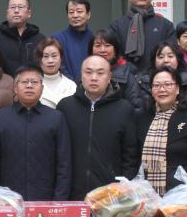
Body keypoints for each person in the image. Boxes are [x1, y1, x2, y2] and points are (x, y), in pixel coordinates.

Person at [58, 55, 140, 200]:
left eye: (100, 73)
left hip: (111, 195)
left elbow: (130, 156)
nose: (94, 77)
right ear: (81, 75)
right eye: (88, 72)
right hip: (71, 193)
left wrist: (123, 189)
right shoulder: (65, 107)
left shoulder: (124, 109)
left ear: (109, 77)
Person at [0, 64, 71, 201]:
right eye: (24, 82)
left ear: (42, 88)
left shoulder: (56, 118)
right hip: (8, 198)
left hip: (46, 197)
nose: (29, 86)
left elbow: (64, 163)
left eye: (34, 82)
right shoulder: (0, 118)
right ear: (15, 88)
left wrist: (59, 200)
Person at [136, 67, 187, 196]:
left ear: (177, 89)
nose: (162, 89)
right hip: (146, 196)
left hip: (182, 195)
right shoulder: (142, 119)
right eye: (156, 85)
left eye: (168, 84)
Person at [109, 0, 175, 72]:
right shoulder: (117, 25)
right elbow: (111, 54)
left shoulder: (165, 25)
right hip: (124, 77)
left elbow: (171, 54)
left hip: (156, 77)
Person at [138, 41, 187, 113]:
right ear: (154, 61)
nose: (166, 60)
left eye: (170, 56)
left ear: (178, 60)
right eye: (161, 57)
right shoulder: (142, 83)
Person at [88, 28, 142, 113]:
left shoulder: (127, 74)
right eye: (98, 46)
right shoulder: (85, 73)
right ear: (91, 50)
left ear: (115, 51)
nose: (102, 50)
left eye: (107, 45)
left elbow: (136, 108)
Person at [0, 0, 45, 76]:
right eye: (13, 7)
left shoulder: (41, 39)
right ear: (7, 13)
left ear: (29, 13)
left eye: (20, 7)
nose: (16, 10)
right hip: (4, 83)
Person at [51, 0, 94, 80]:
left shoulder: (95, 39)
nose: (75, 15)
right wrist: (72, 84)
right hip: (66, 86)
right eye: (71, 12)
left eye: (79, 11)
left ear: (88, 14)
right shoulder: (57, 38)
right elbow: (57, 65)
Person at [35, 38, 76, 109]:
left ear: (61, 58)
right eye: (46, 56)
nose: (50, 61)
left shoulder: (71, 86)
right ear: (39, 60)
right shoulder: (32, 85)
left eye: (54, 56)